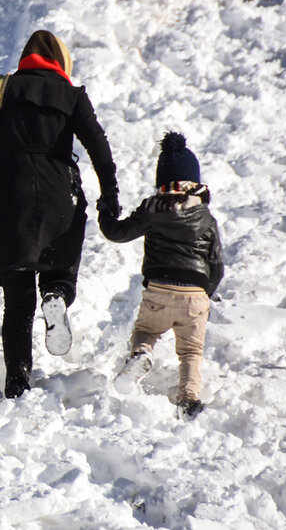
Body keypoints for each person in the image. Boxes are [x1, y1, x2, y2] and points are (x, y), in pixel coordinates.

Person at [0, 30, 119, 398]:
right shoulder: (73, 96)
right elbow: (100, 148)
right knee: (60, 272)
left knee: (17, 304)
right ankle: (57, 295)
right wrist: (111, 198)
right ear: (61, 61)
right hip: (60, 194)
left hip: (10, 200)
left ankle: (17, 385)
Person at [98, 131, 223, 418]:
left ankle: (143, 354)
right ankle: (188, 398)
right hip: (195, 296)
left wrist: (106, 209)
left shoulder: (152, 209)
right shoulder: (206, 217)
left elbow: (115, 233)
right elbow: (216, 264)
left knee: (146, 331)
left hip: (159, 290)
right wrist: (206, 295)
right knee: (191, 352)